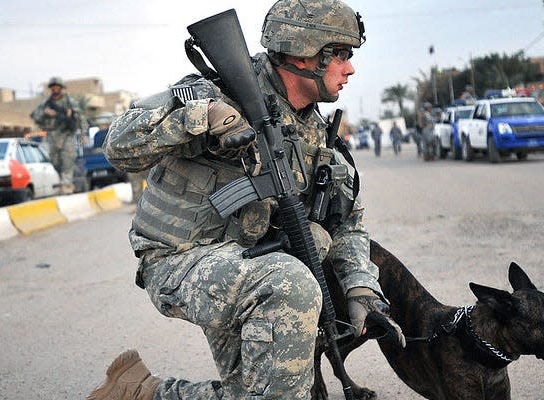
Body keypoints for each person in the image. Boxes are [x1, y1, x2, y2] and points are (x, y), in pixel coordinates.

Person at [89, 1, 405, 399]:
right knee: (291, 285)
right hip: (180, 259)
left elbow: (347, 224)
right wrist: (202, 117)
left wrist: (361, 289)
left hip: (249, 264)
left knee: (262, 392)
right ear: (303, 51)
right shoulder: (216, 92)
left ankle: (141, 392)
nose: (350, 68)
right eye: (341, 54)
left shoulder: (315, 133)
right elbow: (118, 146)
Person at [31, 77, 83, 194]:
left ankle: (67, 184)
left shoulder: (69, 102)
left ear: (61, 87)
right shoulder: (46, 103)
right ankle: (63, 180)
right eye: (53, 87)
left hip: (66, 134)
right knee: (55, 160)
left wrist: (81, 131)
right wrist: (45, 113)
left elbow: (79, 117)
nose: (55, 88)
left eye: (57, 86)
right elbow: (36, 117)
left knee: (68, 159)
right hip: (52, 134)